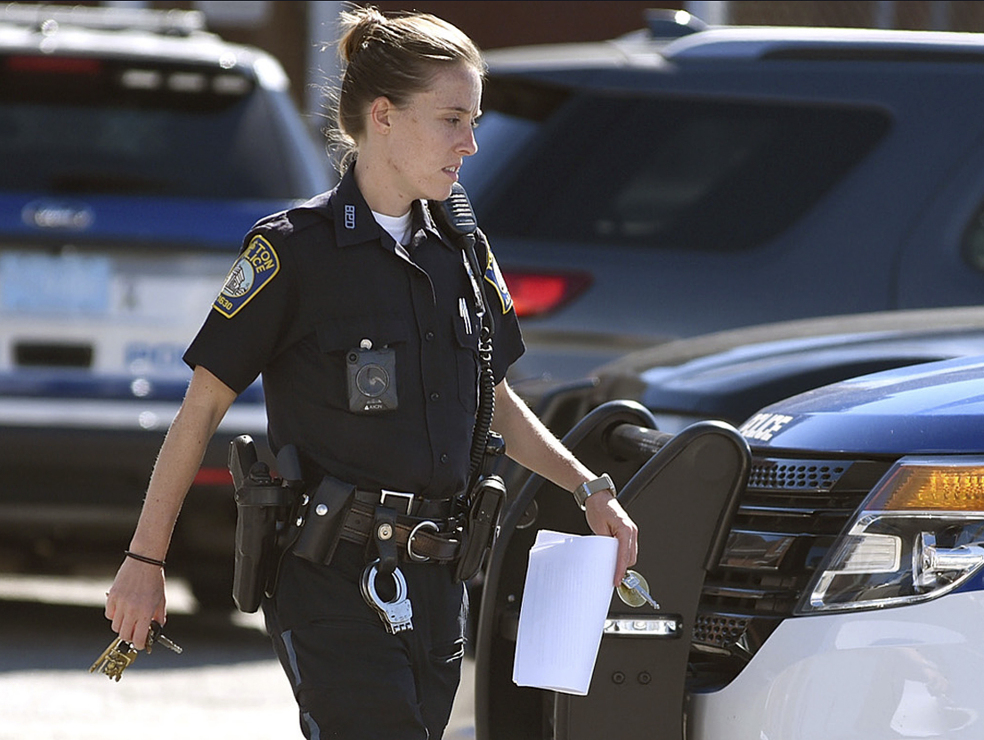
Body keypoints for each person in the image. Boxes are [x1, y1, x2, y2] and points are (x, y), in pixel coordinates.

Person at [104, 5, 638, 739]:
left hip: (440, 586)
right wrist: (144, 560)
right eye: (451, 120)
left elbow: (494, 401)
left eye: (472, 121)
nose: (470, 143)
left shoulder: (462, 251)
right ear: (383, 116)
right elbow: (199, 412)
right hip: (329, 580)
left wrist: (587, 487)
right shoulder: (293, 250)